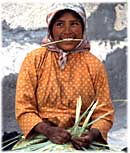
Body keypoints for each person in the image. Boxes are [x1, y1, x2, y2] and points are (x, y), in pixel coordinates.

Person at [15, 2, 114, 150]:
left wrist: (92, 135)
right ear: (50, 29)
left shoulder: (94, 65)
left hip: (81, 139)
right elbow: (23, 107)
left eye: (74, 24)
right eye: (60, 24)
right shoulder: (34, 60)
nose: (67, 31)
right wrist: (47, 130)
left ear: (83, 28)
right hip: (41, 136)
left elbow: (104, 111)